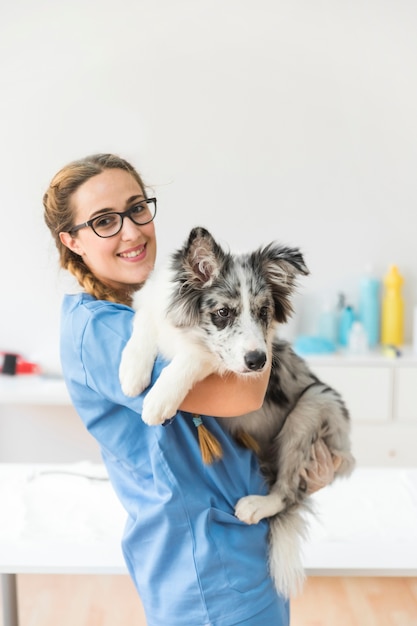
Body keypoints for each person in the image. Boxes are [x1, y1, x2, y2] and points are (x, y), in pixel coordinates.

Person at [43, 153, 338, 626]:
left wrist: (299, 470)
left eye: (137, 208)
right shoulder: (100, 328)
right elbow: (242, 391)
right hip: (203, 571)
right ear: (71, 240)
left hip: (244, 547)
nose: (132, 230)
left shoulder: (164, 306)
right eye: (104, 221)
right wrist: (251, 316)